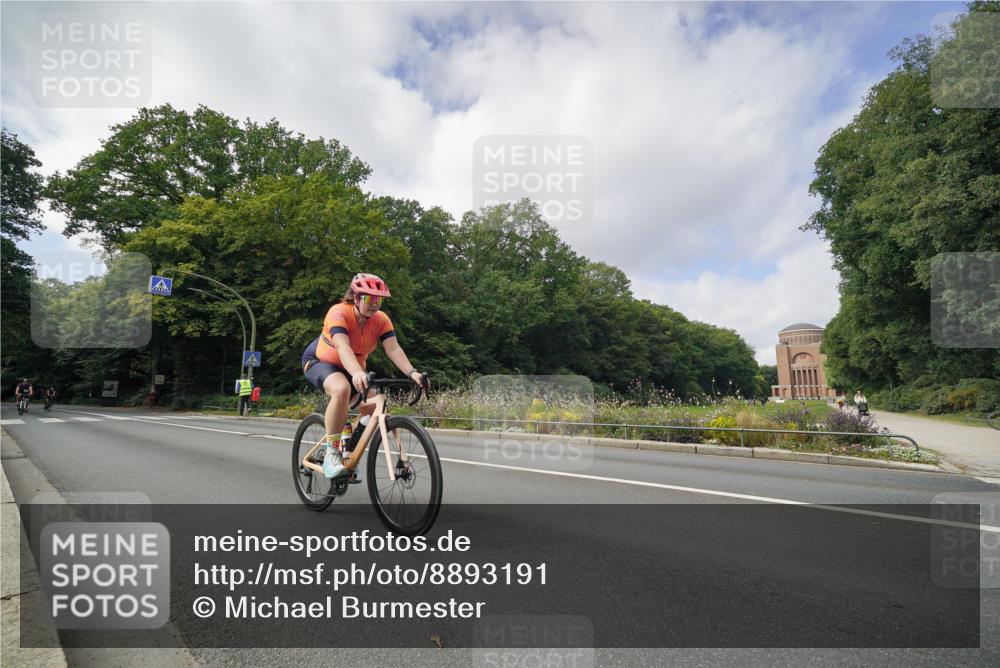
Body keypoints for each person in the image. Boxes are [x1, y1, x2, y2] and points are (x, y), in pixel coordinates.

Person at [301, 273, 428, 479]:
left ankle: (348, 450)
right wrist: (357, 373)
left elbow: (393, 349)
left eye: (379, 299)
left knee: (373, 404)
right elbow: (342, 346)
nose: (375, 304)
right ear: (356, 297)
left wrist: (413, 373)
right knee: (342, 389)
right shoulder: (338, 312)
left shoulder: (381, 320)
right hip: (321, 362)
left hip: (354, 367)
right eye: (369, 298)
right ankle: (332, 454)